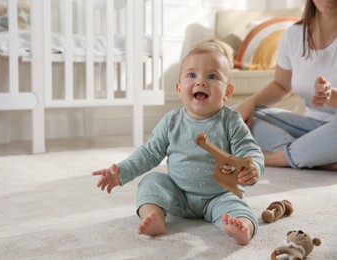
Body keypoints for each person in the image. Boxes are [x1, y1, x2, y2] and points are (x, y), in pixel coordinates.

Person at [92, 47, 264, 246]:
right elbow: (149, 152)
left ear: (227, 92)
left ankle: (242, 228)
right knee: (151, 182)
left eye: (212, 76)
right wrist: (121, 172)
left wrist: (253, 169)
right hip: (177, 194)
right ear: (179, 88)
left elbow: (250, 152)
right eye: (192, 75)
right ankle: (154, 216)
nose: (200, 81)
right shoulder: (171, 121)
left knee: (237, 207)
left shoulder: (231, 122)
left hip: (219, 196)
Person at [235, 0, 337, 170]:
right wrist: (250, 103)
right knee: (235, 115)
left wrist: (331, 96)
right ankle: (317, 158)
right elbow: (282, 85)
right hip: (309, 127)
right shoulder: (294, 35)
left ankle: (274, 158)